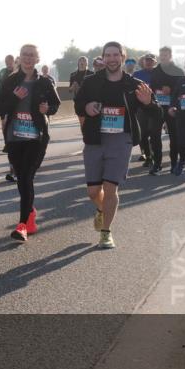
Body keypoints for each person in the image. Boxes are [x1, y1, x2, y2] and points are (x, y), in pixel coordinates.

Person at [74, 42, 157, 249]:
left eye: (115, 55)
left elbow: (157, 114)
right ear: (103, 58)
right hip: (95, 139)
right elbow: (77, 105)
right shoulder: (91, 81)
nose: (111, 59)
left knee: (111, 188)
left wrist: (148, 103)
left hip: (121, 140)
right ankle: (102, 210)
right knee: (93, 192)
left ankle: (106, 232)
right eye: (107, 55)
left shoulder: (134, 84)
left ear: (122, 57)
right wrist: (86, 106)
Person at [0, 44, 60, 241]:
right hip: (15, 138)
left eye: (32, 55)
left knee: (25, 178)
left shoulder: (45, 82)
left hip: (36, 138)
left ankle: (22, 225)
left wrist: (47, 109)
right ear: (19, 58)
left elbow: (55, 105)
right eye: (25, 55)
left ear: (37, 59)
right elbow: (0, 109)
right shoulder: (10, 81)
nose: (28, 58)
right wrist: (14, 98)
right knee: (21, 178)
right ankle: (30, 212)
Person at [152, 46, 185, 175]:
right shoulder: (156, 70)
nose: (163, 57)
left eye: (165, 55)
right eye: (161, 55)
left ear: (170, 55)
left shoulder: (177, 70)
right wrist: (160, 87)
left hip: (172, 107)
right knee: (155, 136)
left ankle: (173, 163)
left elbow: (183, 86)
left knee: (174, 136)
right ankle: (157, 163)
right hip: (157, 107)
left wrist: (171, 89)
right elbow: (152, 85)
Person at [132, 54, 163, 173]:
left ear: (155, 62)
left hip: (155, 108)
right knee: (142, 135)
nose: (149, 63)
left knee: (155, 136)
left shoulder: (159, 74)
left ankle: (157, 163)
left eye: (151, 61)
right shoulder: (137, 75)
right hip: (141, 109)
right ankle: (148, 157)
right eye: (147, 61)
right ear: (143, 62)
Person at [0, 54, 18, 182]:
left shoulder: (28, 76)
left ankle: (21, 169)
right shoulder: (4, 73)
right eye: (6, 61)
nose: (8, 63)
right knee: (10, 141)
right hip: (7, 111)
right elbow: (0, 90)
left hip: (23, 116)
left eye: (11, 61)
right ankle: (13, 171)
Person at [69, 56, 91, 125]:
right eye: (80, 61)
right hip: (78, 101)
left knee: (90, 122)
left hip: (89, 101)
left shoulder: (91, 74)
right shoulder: (73, 75)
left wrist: (80, 88)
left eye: (84, 61)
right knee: (82, 123)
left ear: (87, 63)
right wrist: (73, 86)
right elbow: (70, 90)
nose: (82, 62)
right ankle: (85, 135)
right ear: (78, 63)